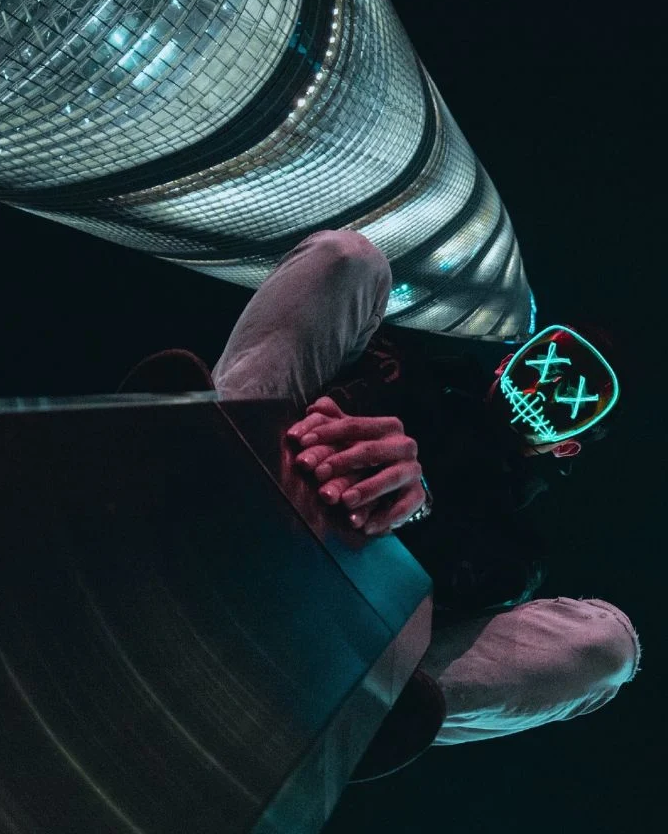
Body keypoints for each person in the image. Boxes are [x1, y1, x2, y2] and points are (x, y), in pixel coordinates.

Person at [204, 228, 639, 777]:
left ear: (568, 445)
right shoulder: (404, 367)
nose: (544, 391)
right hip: (256, 502)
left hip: (331, 647)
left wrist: (415, 506)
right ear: (508, 361)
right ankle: (206, 448)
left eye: (572, 401)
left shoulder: (517, 548)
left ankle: (352, 716)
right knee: (350, 258)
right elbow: (367, 382)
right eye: (543, 367)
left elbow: (465, 577)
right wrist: (344, 417)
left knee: (609, 646)